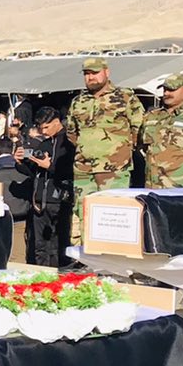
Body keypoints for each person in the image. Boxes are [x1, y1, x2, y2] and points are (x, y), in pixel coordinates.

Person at [65, 56, 144, 242]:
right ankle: (86, 252)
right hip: (84, 169)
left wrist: (118, 151)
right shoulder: (78, 101)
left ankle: (111, 253)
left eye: (95, 72)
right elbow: (72, 133)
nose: (90, 77)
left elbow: (139, 129)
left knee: (112, 214)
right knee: (83, 213)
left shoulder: (125, 97)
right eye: (87, 74)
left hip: (114, 169)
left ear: (106, 72)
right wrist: (89, 148)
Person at [15, 106, 75, 267]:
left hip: (60, 199)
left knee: (58, 243)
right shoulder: (45, 143)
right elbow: (34, 171)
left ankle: (58, 274)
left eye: (47, 127)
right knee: (40, 245)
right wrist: (21, 162)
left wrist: (50, 166)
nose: (44, 131)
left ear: (57, 122)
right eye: (41, 128)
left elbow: (73, 172)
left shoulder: (70, 144)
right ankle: (42, 273)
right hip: (40, 200)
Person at [139, 73, 183, 189]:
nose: (166, 93)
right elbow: (142, 146)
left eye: (172, 90)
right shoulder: (151, 117)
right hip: (153, 187)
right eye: (165, 89)